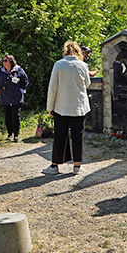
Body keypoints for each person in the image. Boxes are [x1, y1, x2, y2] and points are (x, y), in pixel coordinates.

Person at [44, 41, 91, 175]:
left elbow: (52, 88)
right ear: (78, 52)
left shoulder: (59, 65)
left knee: (59, 135)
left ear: (65, 51)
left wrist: (50, 106)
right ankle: (77, 166)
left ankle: (54, 166)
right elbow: (87, 83)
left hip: (61, 106)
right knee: (78, 135)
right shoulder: (83, 66)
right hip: (79, 106)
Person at [0, 54, 29, 142]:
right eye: (3, 61)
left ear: (11, 62)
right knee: (7, 116)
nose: (4, 62)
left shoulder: (18, 70)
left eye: (6, 61)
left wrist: (21, 90)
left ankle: (16, 134)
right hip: (5, 97)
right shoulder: (1, 71)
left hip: (16, 97)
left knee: (15, 115)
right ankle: (9, 134)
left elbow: (25, 80)